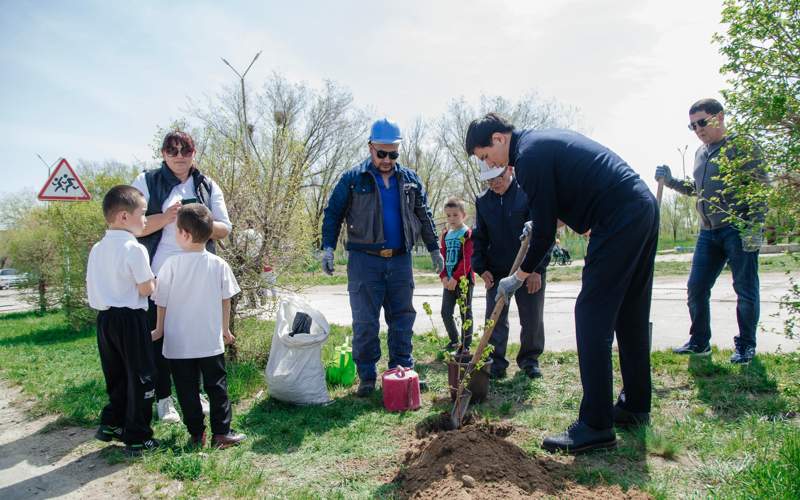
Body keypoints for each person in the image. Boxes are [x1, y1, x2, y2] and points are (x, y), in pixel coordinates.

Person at [466, 113, 659, 453]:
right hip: (639, 206)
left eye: (484, 155)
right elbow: (554, 211)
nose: (488, 163)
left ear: (498, 139)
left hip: (618, 216)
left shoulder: (528, 156)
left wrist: (519, 276)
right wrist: (544, 223)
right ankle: (635, 404)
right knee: (629, 312)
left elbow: (543, 233)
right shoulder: (539, 145)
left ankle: (596, 425)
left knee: (591, 316)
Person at [320, 118, 444, 397]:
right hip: (365, 260)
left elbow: (424, 216)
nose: (387, 159)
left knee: (402, 318)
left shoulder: (410, 180)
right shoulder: (352, 179)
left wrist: (434, 248)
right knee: (365, 321)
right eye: (382, 153)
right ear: (370, 148)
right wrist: (327, 247)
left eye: (393, 154)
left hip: (400, 260)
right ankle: (366, 377)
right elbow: (332, 213)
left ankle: (401, 371)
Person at [656, 98, 767, 364]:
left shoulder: (741, 146)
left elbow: (760, 186)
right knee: (696, 287)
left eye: (702, 122)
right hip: (708, 232)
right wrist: (670, 181)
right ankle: (699, 342)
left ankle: (746, 346)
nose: (698, 130)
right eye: (692, 126)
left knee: (745, 289)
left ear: (720, 117)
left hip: (738, 229)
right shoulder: (700, 154)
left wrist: (755, 226)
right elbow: (698, 190)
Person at [133, 130, 232, 424]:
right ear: (163, 153)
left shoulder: (206, 184)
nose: (179, 156)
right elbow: (132, 226)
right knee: (159, 337)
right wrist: (167, 217)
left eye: (185, 150)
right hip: (157, 274)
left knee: (197, 337)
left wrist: (199, 219)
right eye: (172, 150)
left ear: (194, 153)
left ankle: (196, 393)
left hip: (199, 275)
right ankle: (164, 399)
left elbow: (225, 228)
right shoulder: (146, 181)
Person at [151, 204, 246, 449]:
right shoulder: (218, 264)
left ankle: (196, 434)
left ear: (184, 234)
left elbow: (161, 301)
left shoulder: (170, 264)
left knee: (186, 390)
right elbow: (226, 299)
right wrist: (225, 329)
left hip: (178, 342)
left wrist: (159, 329)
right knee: (217, 388)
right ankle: (221, 434)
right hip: (209, 340)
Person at [86, 185, 159, 456]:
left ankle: (112, 423)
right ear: (124, 217)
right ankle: (139, 436)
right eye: (142, 213)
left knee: (115, 374)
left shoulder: (97, 248)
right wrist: (153, 281)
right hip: (130, 318)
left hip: (105, 319)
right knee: (142, 376)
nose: (145, 219)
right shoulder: (134, 248)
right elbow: (145, 289)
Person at [472, 162, 549, 380]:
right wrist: (482, 268)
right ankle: (496, 362)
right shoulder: (483, 201)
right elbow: (479, 237)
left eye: (499, 177)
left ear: (510, 170)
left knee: (532, 317)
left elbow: (544, 232)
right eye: (490, 179)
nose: (495, 183)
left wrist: (537, 269)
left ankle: (529, 360)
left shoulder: (527, 194)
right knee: (494, 319)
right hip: (497, 271)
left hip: (529, 269)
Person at [438, 197, 474, 352]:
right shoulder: (446, 235)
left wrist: (456, 278)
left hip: (463, 280)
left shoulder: (467, 234)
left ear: (463, 215)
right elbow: (443, 258)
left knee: (465, 312)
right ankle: (454, 340)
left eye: (455, 215)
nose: (451, 218)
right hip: (449, 280)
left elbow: (468, 259)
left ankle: (465, 345)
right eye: (448, 215)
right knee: (446, 312)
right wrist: (444, 276)